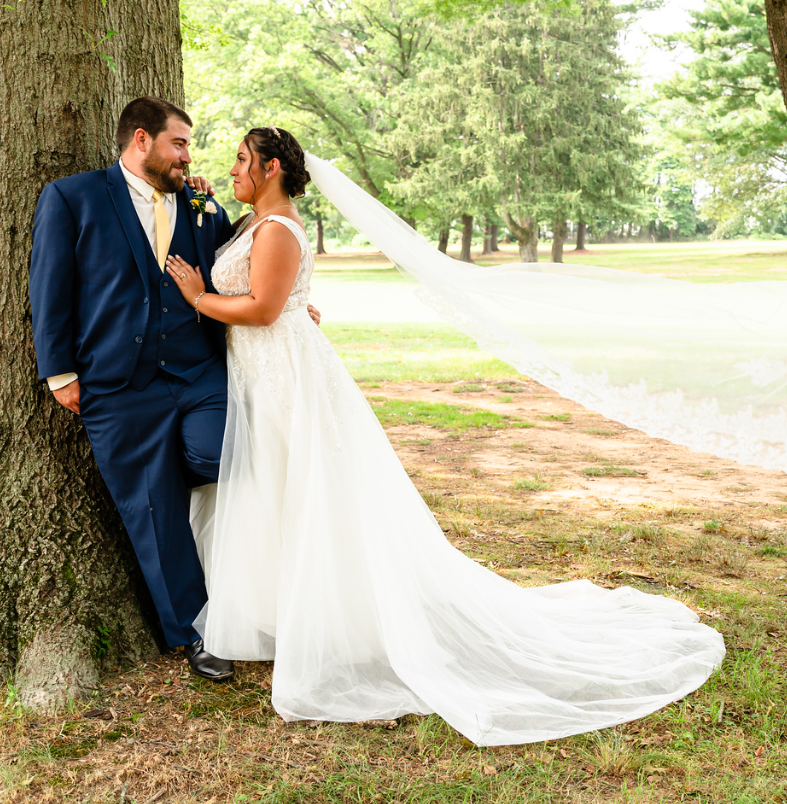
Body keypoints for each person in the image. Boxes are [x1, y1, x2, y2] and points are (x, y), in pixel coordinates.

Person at [163, 126, 726, 747]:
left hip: (284, 379)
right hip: (261, 374)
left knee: (308, 494)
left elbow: (266, 309)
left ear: (271, 168)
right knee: (277, 493)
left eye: (243, 159)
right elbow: (280, 300)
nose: (233, 168)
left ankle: (342, 624)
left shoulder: (276, 228)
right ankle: (287, 615)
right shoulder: (249, 225)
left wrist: (199, 296)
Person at [28, 98, 319, 684]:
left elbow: (243, 256)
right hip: (116, 385)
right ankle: (195, 632)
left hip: (197, 373)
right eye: (179, 143)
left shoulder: (200, 203)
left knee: (226, 455)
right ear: (142, 139)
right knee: (153, 510)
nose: (189, 154)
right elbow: (49, 285)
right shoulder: (72, 197)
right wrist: (59, 372)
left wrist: (289, 307)